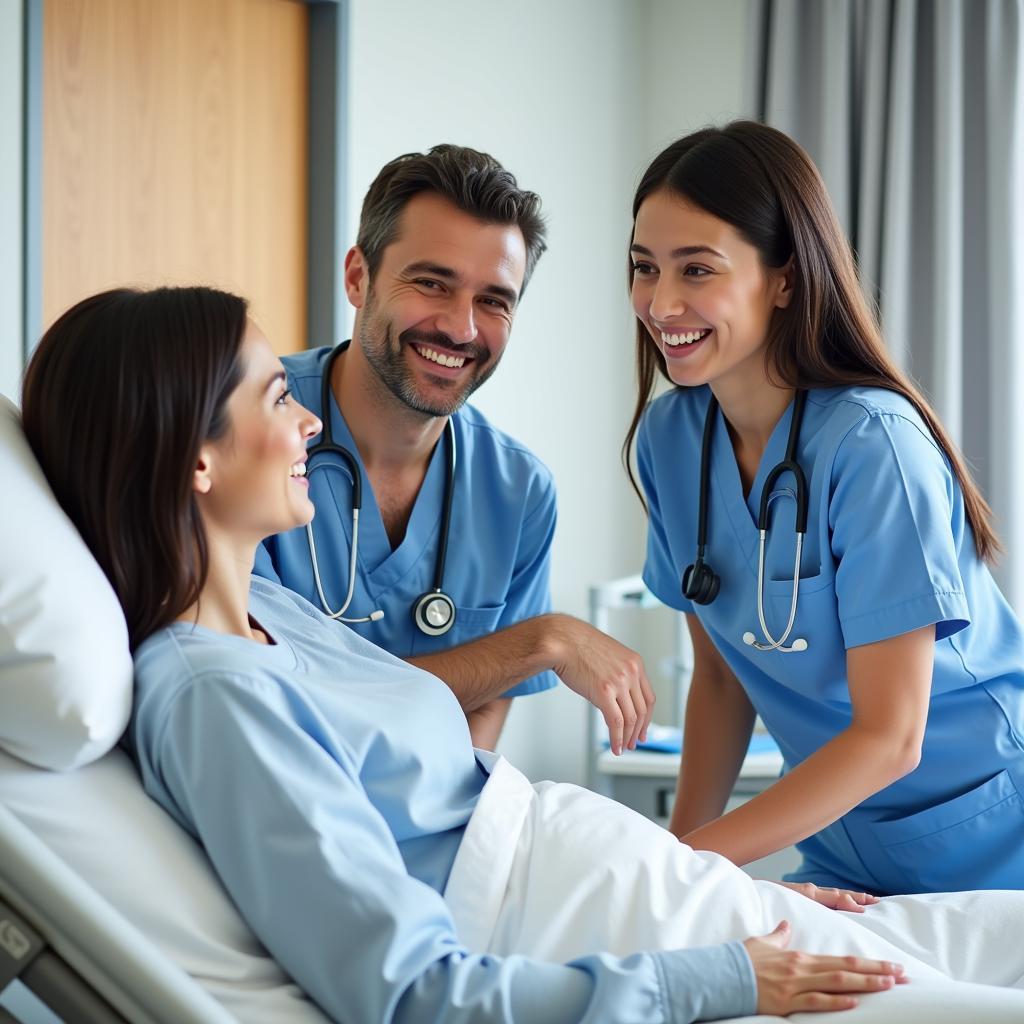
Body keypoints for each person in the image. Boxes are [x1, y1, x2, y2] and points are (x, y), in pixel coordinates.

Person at [21, 286, 1024, 1024]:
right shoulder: (208, 695)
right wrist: (719, 970)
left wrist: (697, 878)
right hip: (602, 932)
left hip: (632, 886)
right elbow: (407, 989)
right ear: (195, 458)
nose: (309, 420)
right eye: (277, 396)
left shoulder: (274, 615)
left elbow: (407, 755)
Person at [625, 120, 1024, 896]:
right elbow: (720, 679)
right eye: (644, 267)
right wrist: (676, 865)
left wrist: (690, 868)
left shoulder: (874, 446)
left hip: (992, 832)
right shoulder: (670, 441)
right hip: (845, 840)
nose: (661, 302)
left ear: (784, 278)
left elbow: (891, 736)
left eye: (697, 269)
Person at [256, 144, 653, 751]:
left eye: (493, 300)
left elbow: (483, 715)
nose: (461, 328)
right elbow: (259, 692)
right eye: (432, 283)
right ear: (359, 277)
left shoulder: (517, 494)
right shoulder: (251, 425)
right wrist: (541, 642)